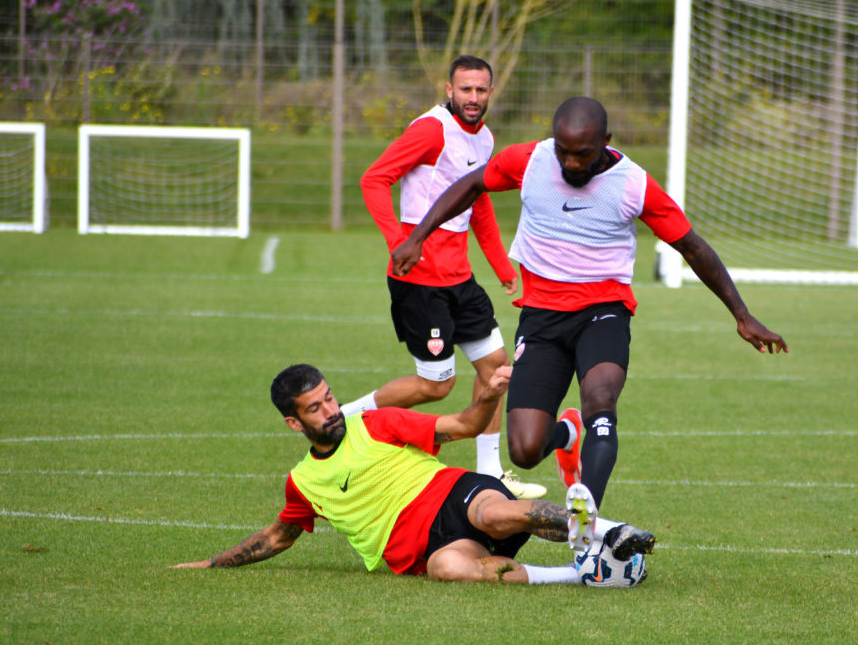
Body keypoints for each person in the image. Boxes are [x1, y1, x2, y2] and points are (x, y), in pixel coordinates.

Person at [391, 96, 789, 518]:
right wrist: (419, 235)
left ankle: (586, 515)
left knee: (600, 397)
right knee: (525, 449)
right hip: (542, 315)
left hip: (604, 311)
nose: (571, 163)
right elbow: (471, 185)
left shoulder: (633, 183)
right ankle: (569, 434)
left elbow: (692, 246)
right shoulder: (530, 160)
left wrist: (742, 315)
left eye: (582, 153)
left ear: (605, 142)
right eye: (563, 151)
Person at [173, 363, 656, 585]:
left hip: (454, 495)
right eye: (315, 408)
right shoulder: (303, 483)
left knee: (495, 514)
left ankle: (612, 532)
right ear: (295, 423)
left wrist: (488, 394)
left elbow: (465, 425)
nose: (331, 410)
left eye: (329, 397)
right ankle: (581, 574)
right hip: (426, 549)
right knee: (451, 571)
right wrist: (210, 565)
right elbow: (276, 538)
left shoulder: (377, 423)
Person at [344, 54, 544, 500]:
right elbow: (374, 178)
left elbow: (480, 203)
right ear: (449, 90)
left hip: (461, 279)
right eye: (465, 89)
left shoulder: (486, 139)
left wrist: (501, 267)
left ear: (491, 92)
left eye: (481, 90)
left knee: (497, 368)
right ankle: (346, 417)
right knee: (437, 386)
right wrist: (399, 240)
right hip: (420, 281)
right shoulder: (431, 130)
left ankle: (492, 474)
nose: (473, 98)